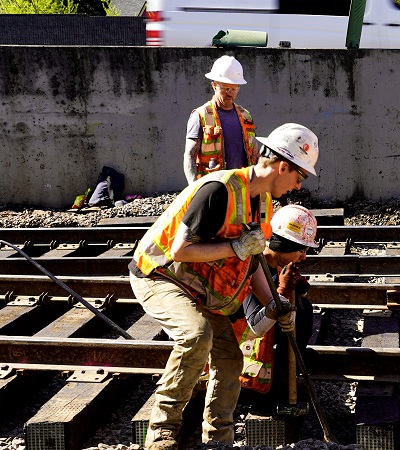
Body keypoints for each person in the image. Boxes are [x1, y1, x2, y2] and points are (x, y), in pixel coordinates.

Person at [129, 123, 319, 450]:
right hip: (162, 275)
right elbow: (180, 250)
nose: (297, 186)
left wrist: (274, 304)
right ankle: (161, 433)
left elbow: (253, 262)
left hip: (201, 288)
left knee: (230, 359)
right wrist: (237, 248)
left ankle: (218, 440)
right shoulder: (220, 189)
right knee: (195, 334)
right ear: (282, 166)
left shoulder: (262, 206)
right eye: (298, 177)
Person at [232, 204, 318, 402]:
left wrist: (296, 288)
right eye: (301, 250)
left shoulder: (277, 266)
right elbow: (256, 326)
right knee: (298, 314)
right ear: (283, 246)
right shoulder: (255, 267)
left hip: (259, 348)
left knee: (303, 309)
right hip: (243, 351)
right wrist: (283, 291)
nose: (304, 257)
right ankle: (266, 388)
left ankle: (285, 378)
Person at [184, 55, 259, 184]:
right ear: (214, 86)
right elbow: (190, 155)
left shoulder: (245, 116)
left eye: (234, 89)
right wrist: (194, 187)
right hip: (213, 187)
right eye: (225, 88)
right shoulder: (200, 116)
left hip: (243, 186)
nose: (230, 93)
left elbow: (256, 154)